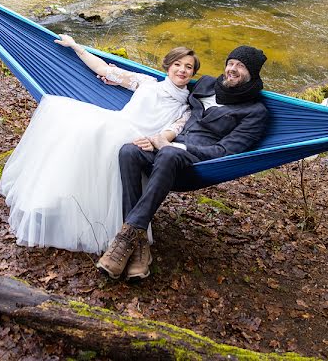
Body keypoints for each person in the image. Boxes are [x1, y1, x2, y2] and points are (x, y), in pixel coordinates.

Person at [0, 34, 200, 254]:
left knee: (97, 140)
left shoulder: (186, 109)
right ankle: (48, 205)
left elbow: (169, 134)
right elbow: (104, 70)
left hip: (135, 142)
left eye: (188, 67)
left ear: (193, 73)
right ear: (168, 67)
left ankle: (85, 221)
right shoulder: (147, 83)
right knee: (65, 118)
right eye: (177, 64)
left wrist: (153, 141)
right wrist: (77, 47)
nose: (182, 70)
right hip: (115, 123)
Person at [98, 45, 270, 280]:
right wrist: (115, 78)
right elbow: (172, 86)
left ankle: (123, 241)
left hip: (195, 165)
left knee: (169, 154)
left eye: (240, 66)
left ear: (252, 73)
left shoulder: (255, 112)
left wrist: (173, 146)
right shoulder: (207, 83)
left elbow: (225, 150)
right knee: (130, 150)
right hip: (166, 150)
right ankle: (138, 248)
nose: (232, 69)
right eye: (231, 63)